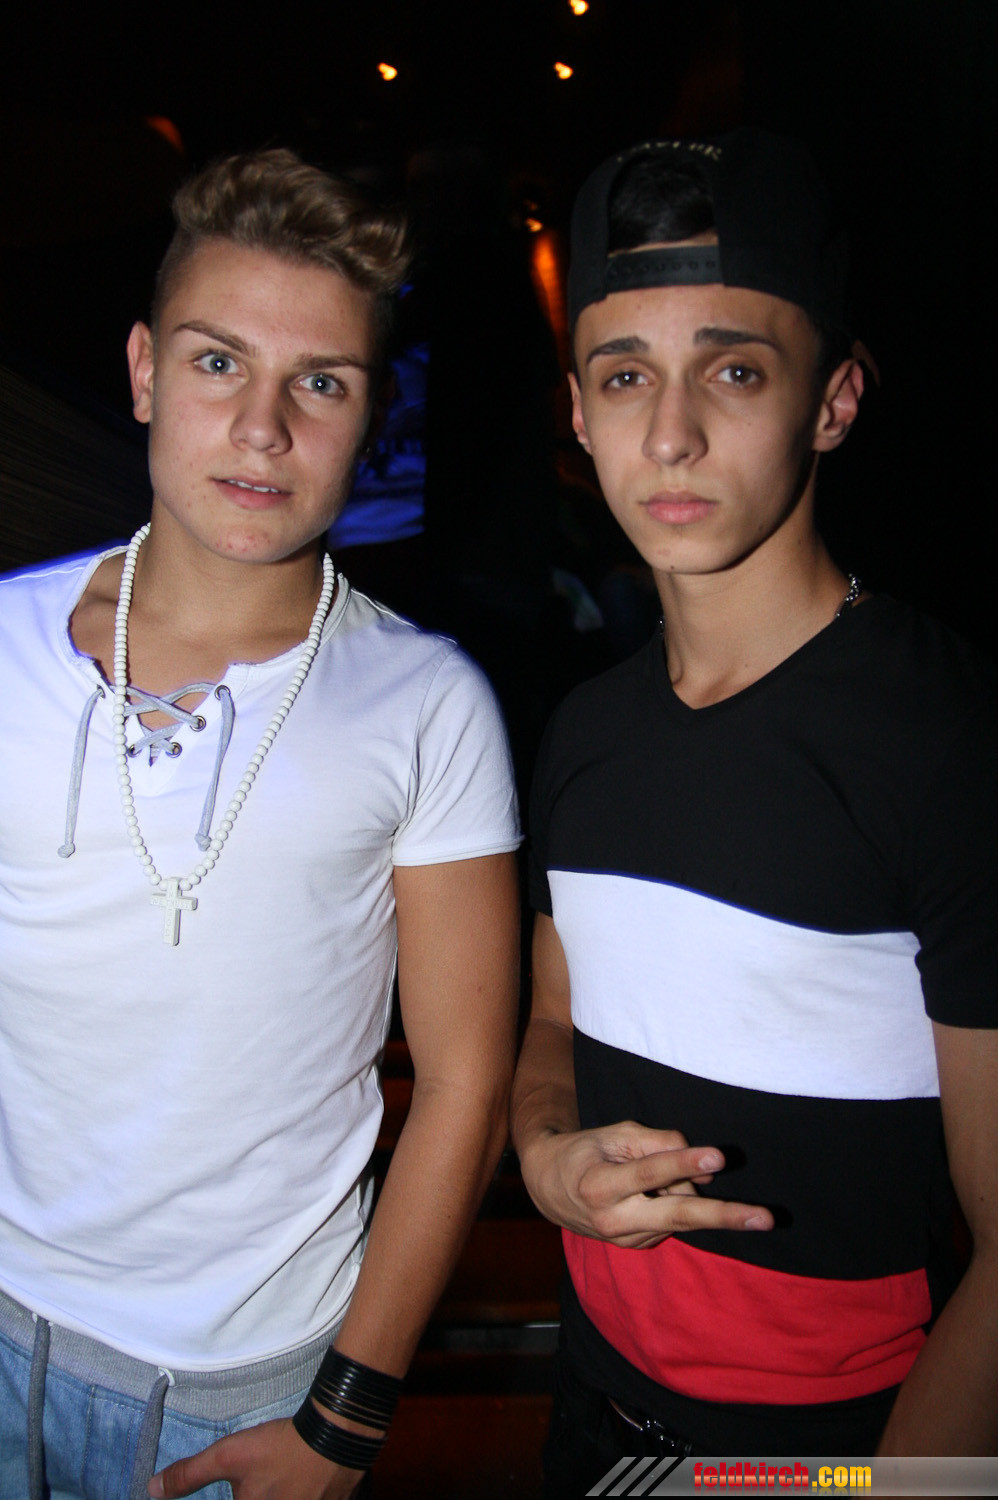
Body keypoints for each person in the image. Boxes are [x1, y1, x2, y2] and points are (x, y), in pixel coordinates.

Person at [0, 149, 520, 1500]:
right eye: (218, 362)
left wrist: (345, 1418)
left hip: (244, 1380)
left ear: (373, 414)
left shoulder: (428, 701)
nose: (262, 428)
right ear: (143, 371)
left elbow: (465, 1085)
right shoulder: (4, 640)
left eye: (321, 383)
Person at [511, 128, 998, 1490]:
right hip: (594, 1423)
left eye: (733, 370)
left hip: (844, 1454)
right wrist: (545, 1157)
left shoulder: (949, 741)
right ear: (578, 413)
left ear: (833, 401)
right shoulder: (581, 732)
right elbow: (548, 1028)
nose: (670, 434)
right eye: (625, 376)